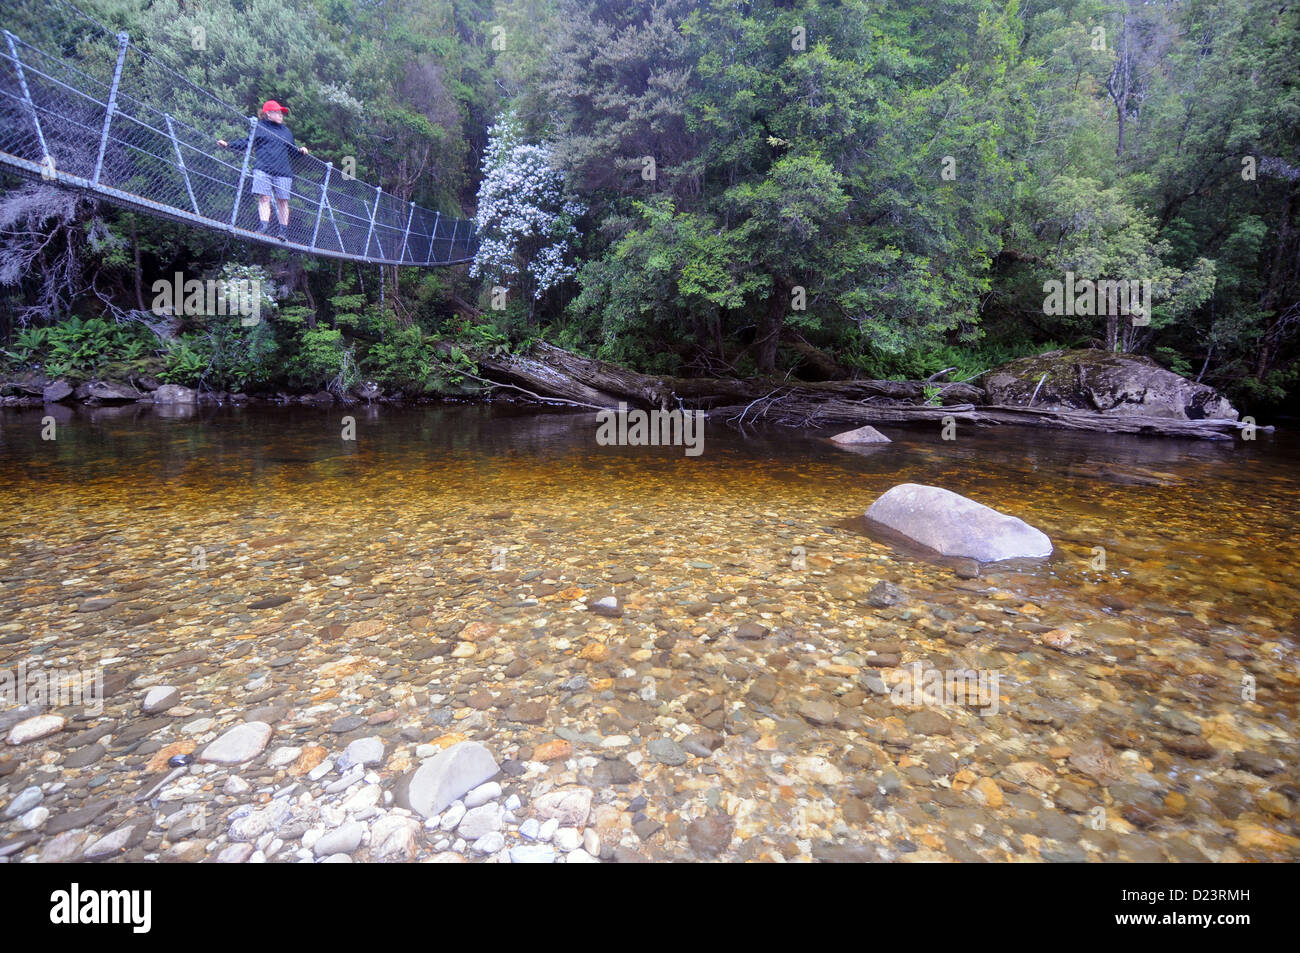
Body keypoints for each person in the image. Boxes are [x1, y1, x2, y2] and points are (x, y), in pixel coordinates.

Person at [218, 100, 309, 241]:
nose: (281, 115)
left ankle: (283, 232)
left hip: (283, 172)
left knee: (283, 201)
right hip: (263, 169)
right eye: (277, 113)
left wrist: (301, 151)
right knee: (264, 197)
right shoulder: (259, 127)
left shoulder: (286, 132)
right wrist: (229, 145)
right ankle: (263, 226)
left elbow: (293, 151)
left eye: (281, 113)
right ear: (268, 114)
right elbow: (247, 143)